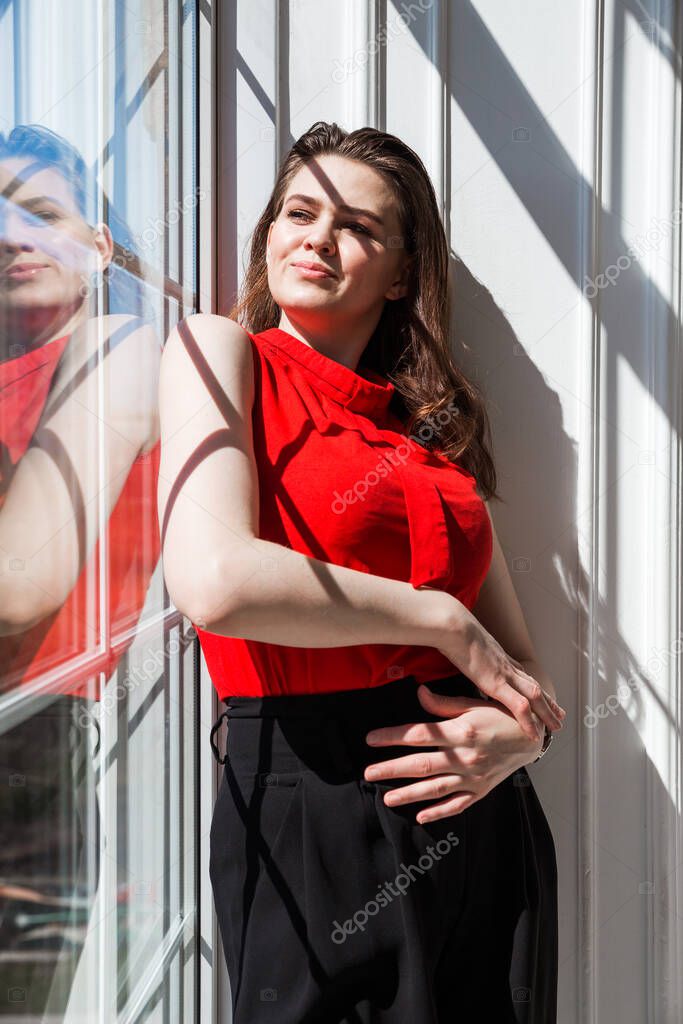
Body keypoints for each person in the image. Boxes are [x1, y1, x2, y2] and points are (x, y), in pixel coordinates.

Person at [158, 120, 565, 1023]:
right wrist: (439, 620)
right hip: (314, 802)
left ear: (402, 274)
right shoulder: (217, 353)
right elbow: (214, 579)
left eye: (358, 227)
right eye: (298, 212)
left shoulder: (427, 443)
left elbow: (525, 670)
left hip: (477, 806)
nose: (317, 238)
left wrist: (524, 738)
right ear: (269, 235)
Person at [0, 124, 161, 1017]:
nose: (11, 236)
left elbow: (19, 582)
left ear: (100, 247)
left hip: (22, 747)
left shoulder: (114, 345)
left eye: (42, 213)